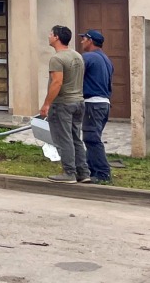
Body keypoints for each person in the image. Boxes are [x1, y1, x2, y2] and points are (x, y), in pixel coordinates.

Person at [39, 25, 88, 183]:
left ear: (57, 37)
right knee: (75, 137)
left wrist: (47, 104)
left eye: (51, 34)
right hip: (78, 102)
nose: (48, 36)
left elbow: (57, 82)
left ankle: (69, 173)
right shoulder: (77, 56)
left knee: (63, 138)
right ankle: (83, 172)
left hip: (63, 104)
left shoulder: (57, 59)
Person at [79, 30, 114, 184]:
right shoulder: (106, 59)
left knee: (91, 138)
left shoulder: (88, 58)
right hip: (104, 104)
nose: (81, 42)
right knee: (92, 137)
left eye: (84, 39)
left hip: (92, 103)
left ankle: (102, 173)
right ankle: (91, 170)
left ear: (90, 41)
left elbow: (74, 76)